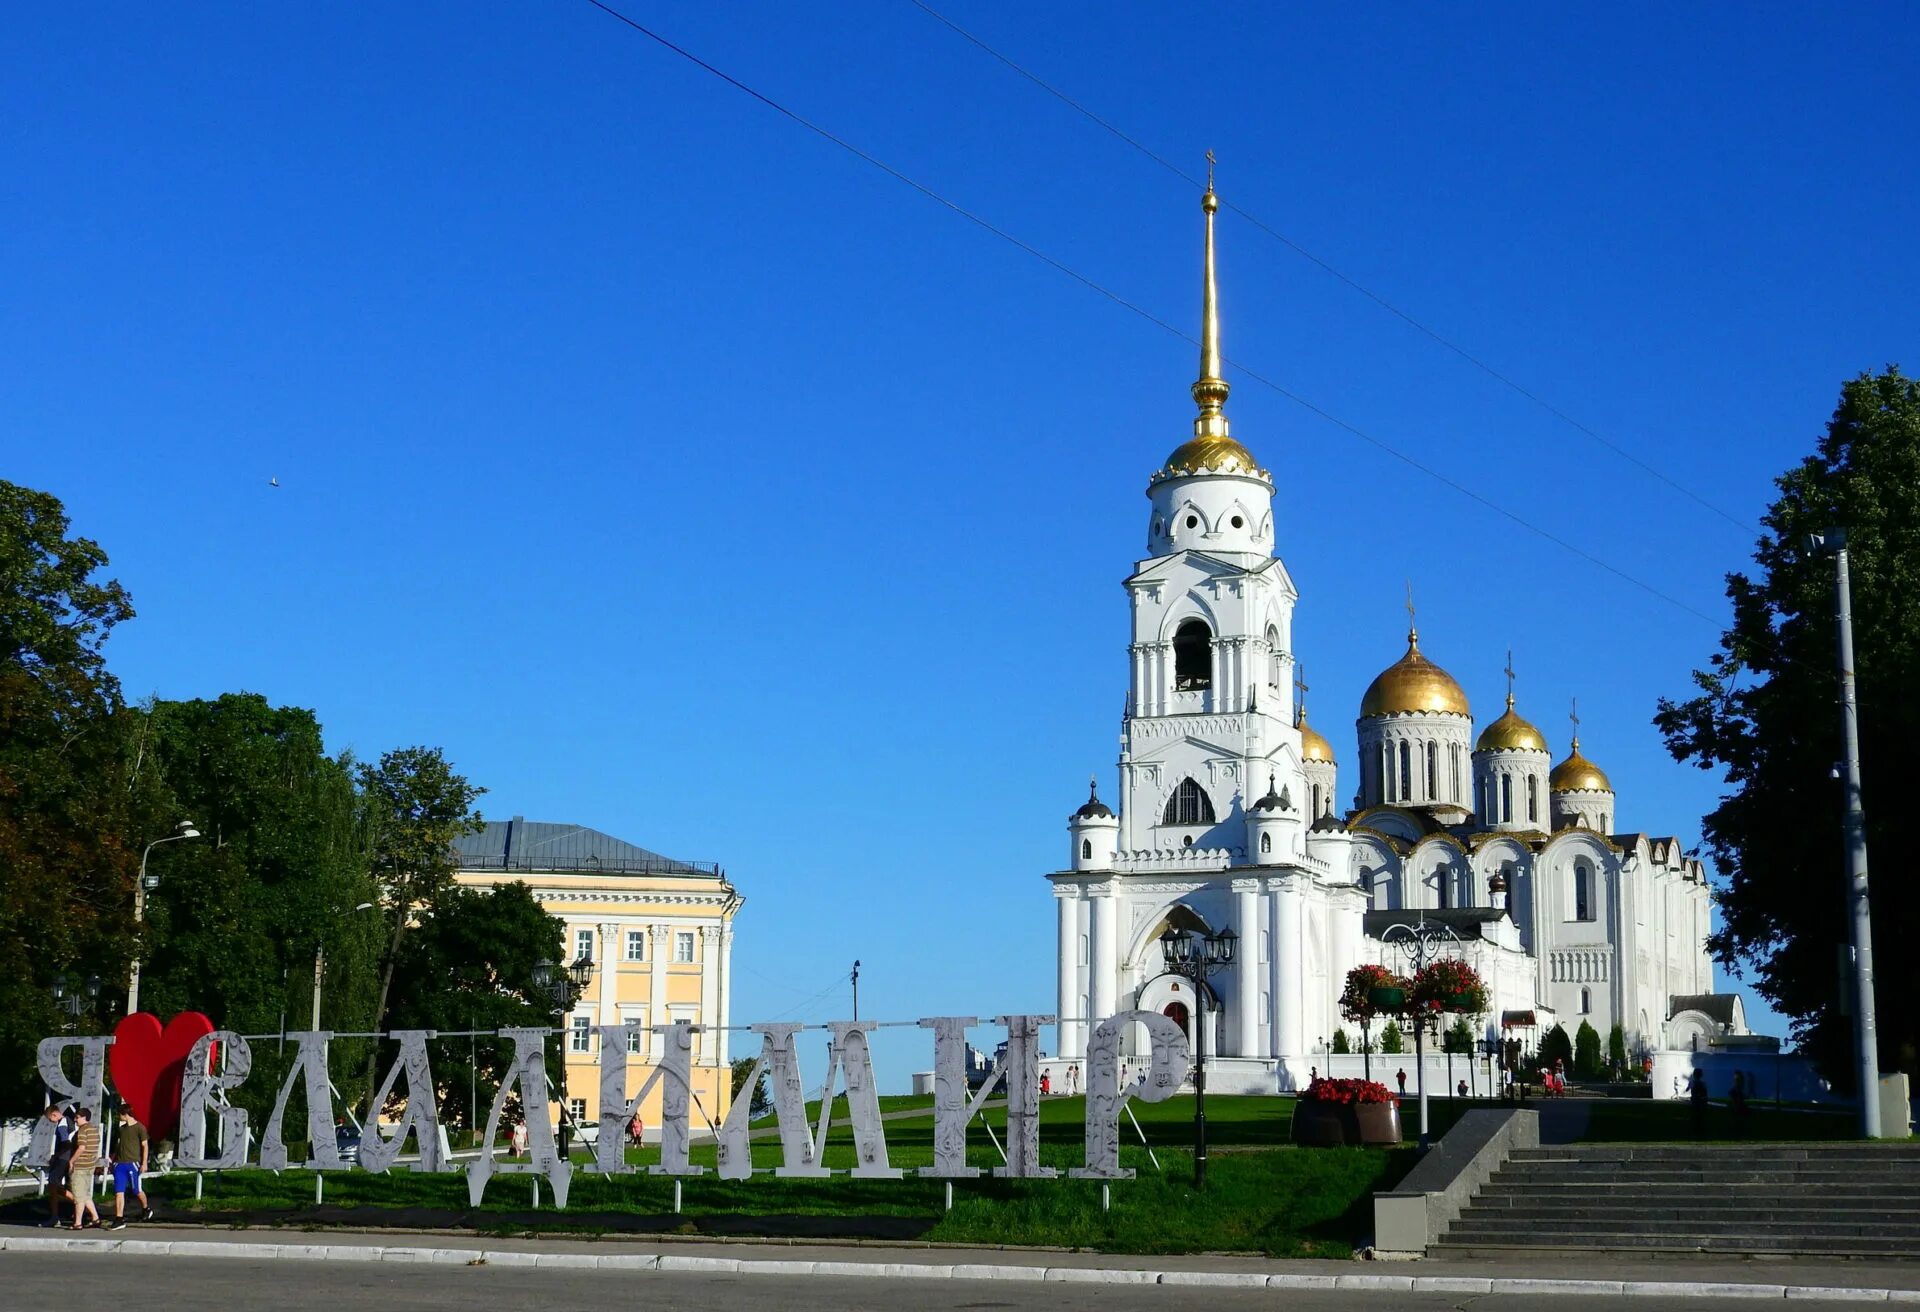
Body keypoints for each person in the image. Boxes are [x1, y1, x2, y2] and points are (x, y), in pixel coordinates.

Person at [108, 1108, 153, 1229]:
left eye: (120, 1115)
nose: (119, 1117)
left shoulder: (140, 1128)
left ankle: (146, 1208)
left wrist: (144, 1163)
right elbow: (118, 1146)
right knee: (119, 1192)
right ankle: (119, 1218)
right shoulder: (122, 1129)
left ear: (125, 1114)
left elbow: (145, 1146)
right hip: (120, 1164)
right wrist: (113, 1161)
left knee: (136, 1190)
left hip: (133, 1163)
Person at [68, 1106, 102, 1230]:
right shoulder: (94, 1129)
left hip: (80, 1166)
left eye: (77, 1117)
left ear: (84, 1117)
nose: (75, 1120)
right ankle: (95, 1218)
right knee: (85, 1194)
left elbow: (81, 1147)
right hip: (90, 1166)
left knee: (78, 1196)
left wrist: (71, 1161)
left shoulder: (82, 1130)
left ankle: (77, 1223)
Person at [41, 1103, 73, 1228]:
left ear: (54, 1114)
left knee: (53, 1185)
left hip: (63, 1159)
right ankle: (56, 1215)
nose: (51, 1122)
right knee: (53, 1185)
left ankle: (56, 1216)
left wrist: (56, 1155)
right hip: (66, 1158)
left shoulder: (62, 1125)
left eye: (50, 1119)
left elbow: (67, 1143)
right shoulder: (69, 1120)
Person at [1689, 1065, 1709, 1138]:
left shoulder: (1694, 1083)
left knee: (1696, 1117)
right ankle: (1700, 1130)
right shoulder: (1702, 1084)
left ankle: (1697, 1130)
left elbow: (1692, 1091)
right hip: (1700, 1102)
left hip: (1696, 1102)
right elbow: (1705, 1094)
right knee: (1700, 1117)